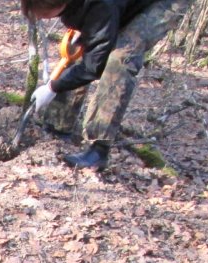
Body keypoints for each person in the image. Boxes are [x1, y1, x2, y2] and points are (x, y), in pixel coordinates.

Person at [22, 0, 188, 170]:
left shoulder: (102, 5)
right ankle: (57, 125)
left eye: (43, 13)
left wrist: (53, 87)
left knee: (121, 57)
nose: (40, 18)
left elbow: (93, 66)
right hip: (116, 5)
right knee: (80, 46)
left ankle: (98, 149)